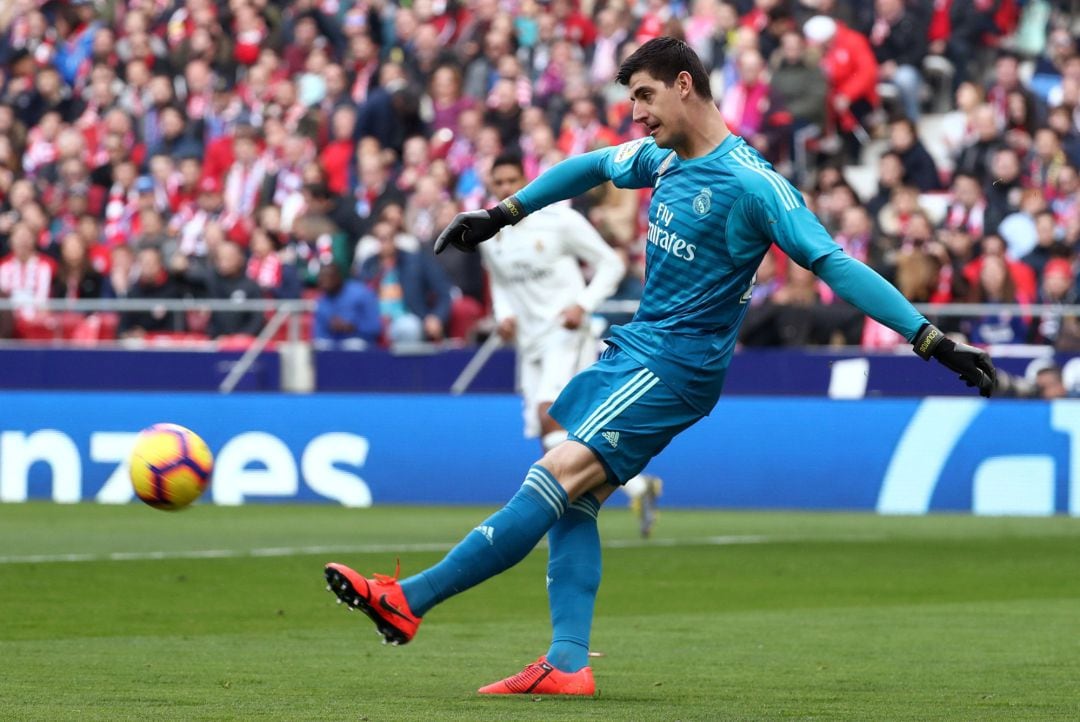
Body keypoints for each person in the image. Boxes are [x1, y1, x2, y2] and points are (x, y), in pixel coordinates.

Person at [323, 37, 996, 696]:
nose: (637, 114)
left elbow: (832, 263)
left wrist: (929, 338)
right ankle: (566, 661)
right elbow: (589, 167)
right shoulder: (664, 160)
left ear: (684, 84)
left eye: (645, 96)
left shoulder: (752, 185)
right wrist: (503, 213)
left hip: (677, 367)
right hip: (637, 350)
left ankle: (409, 598)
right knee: (575, 501)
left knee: (554, 473)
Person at [480, 153, 662, 536]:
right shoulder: (491, 236)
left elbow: (610, 264)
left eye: (514, 180)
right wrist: (503, 314)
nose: (507, 188)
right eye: (499, 183)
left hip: (567, 334)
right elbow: (500, 285)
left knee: (551, 414)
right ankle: (639, 486)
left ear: (525, 180)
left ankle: (555, 508)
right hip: (529, 344)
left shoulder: (560, 221)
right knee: (560, 430)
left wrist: (583, 304)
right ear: (491, 187)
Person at [312, 263, 382, 349]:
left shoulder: (362, 293)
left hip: (360, 344)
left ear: (338, 277)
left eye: (328, 277)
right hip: (332, 347)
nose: (324, 281)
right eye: (321, 278)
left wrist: (352, 327)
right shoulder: (322, 301)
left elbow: (375, 328)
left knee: (352, 345)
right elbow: (319, 335)